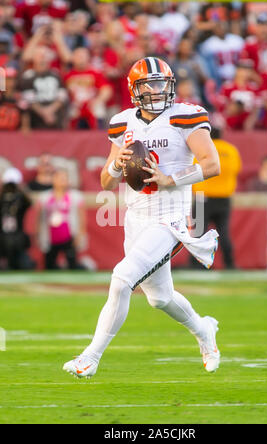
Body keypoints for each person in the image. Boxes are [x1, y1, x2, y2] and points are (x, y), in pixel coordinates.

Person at [63, 57, 221, 379]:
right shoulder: (122, 122)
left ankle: (90, 357)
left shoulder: (184, 117)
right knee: (159, 298)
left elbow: (212, 164)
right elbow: (107, 182)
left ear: (170, 85)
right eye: (148, 84)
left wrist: (171, 179)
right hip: (135, 217)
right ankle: (204, 330)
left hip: (170, 216)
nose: (155, 90)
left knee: (122, 279)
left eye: (160, 83)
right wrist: (117, 164)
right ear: (134, 90)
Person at [191, 127, 241, 270]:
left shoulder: (203, 150)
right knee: (224, 232)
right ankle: (229, 264)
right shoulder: (231, 150)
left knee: (198, 233)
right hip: (224, 196)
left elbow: (194, 169)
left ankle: (197, 264)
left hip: (203, 196)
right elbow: (237, 169)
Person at [36, 168, 87, 270]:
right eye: (59, 178)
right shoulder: (44, 197)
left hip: (69, 236)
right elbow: (39, 219)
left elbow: (82, 217)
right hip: (50, 237)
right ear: (53, 179)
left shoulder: (76, 196)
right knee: (49, 265)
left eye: (64, 178)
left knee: (72, 265)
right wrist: (37, 234)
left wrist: (80, 234)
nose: (62, 181)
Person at [0, 168, 35, 270]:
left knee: (25, 266)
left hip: (18, 238)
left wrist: (21, 186)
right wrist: (3, 187)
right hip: (2, 238)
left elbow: (30, 201)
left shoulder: (20, 200)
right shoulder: (2, 199)